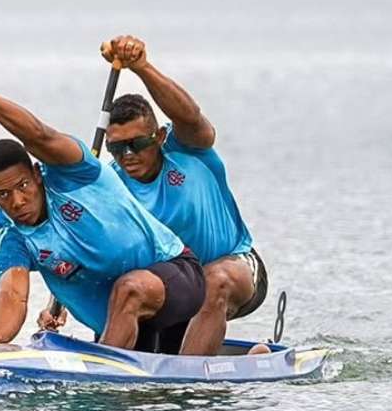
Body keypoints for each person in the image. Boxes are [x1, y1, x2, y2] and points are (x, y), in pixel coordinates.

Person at [0, 68, 207, 351]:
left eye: (23, 185)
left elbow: (39, 135)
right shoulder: (9, 235)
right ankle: (255, 355)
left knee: (129, 289)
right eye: (3, 194)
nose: (16, 201)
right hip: (121, 321)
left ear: (37, 174)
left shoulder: (72, 175)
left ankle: (104, 378)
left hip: (176, 276)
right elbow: (13, 294)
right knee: (155, 375)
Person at [44, 35, 268, 356]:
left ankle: (192, 385)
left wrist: (141, 67)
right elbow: (87, 250)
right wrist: (60, 303)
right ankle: (117, 376)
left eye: (136, 144)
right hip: (175, 287)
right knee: (124, 292)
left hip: (235, 266)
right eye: (117, 148)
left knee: (214, 280)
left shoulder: (189, 149)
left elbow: (189, 115)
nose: (128, 155)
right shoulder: (111, 186)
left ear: (160, 136)